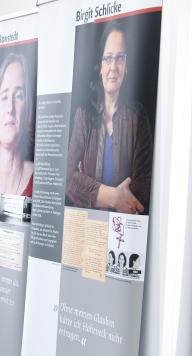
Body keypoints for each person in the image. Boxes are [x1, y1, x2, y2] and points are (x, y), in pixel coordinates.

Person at [66, 22, 153, 213]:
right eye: (108, 58)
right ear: (100, 66)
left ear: (127, 66)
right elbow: (67, 178)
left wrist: (87, 188)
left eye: (120, 58)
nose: (113, 66)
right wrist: (115, 198)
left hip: (123, 233)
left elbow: (142, 190)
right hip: (87, 232)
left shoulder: (138, 119)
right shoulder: (84, 115)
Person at [0, 54, 34, 196]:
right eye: (4, 96)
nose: (10, 108)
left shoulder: (40, 181)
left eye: (18, 96)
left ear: (28, 107)